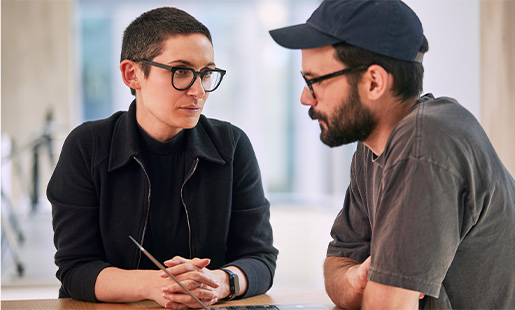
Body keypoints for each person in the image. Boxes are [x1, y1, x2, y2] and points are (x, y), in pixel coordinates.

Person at [269, 0, 515, 309]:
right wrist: (357, 279)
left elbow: (387, 305)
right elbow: (337, 265)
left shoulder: (425, 141)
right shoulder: (371, 146)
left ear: (374, 82)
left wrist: (376, 289)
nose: (305, 98)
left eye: (314, 81)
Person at [48, 7, 278, 309]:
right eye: (181, 71)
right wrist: (160, 284)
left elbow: (260, 258)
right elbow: (76, 269)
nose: (198, 90)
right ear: (132, 74)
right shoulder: (87, 146)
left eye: (206, 73)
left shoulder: (231, 146)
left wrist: (220, 282)